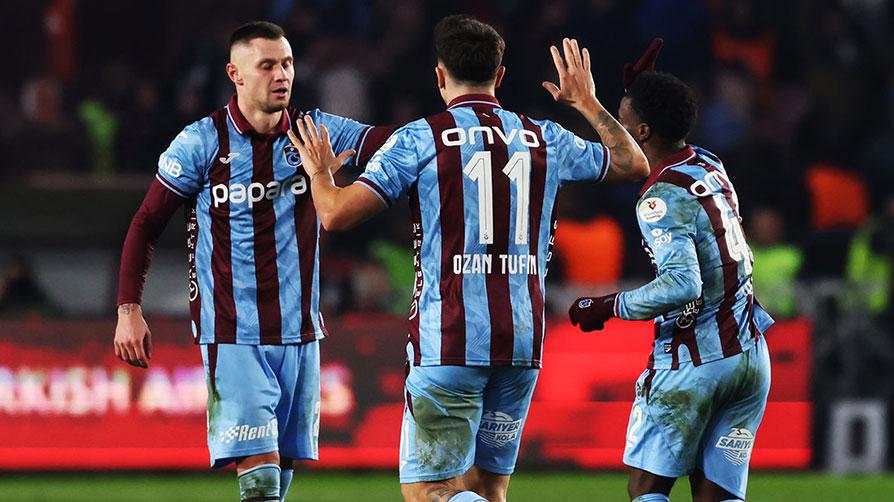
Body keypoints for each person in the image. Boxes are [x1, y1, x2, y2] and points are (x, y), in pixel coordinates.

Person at [285, 15, 648, 502]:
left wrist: (319, 173)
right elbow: (633, 163)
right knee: (489, 487)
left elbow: (335, 215)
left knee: (429, 491)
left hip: (450, 339)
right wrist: (586, 101)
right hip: (522, 341)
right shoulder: (543, 136)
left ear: (439, 75)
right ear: (500, 75)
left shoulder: (421, 138)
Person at [112, 21, 393, 502]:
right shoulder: (201, 143)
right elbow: (146, 223)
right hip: (232, 331)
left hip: (300, 330)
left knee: (278, 477)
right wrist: (128, 308)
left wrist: (459, 125)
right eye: (267, 66)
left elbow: (398, 144)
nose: (281, 75)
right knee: (260, 479)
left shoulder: (314, 133)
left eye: (287, 64)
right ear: (235, 74)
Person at [567, 45, 774, 502]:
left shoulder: (659, 197)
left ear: (643, 131)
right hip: (749, 355)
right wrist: (643, 93)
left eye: (624, 121)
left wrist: (607, 306)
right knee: (717, 494)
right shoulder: (710, 163)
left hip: (695, 360)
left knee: (646, 487)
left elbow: (683, 283)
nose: (616, 130)